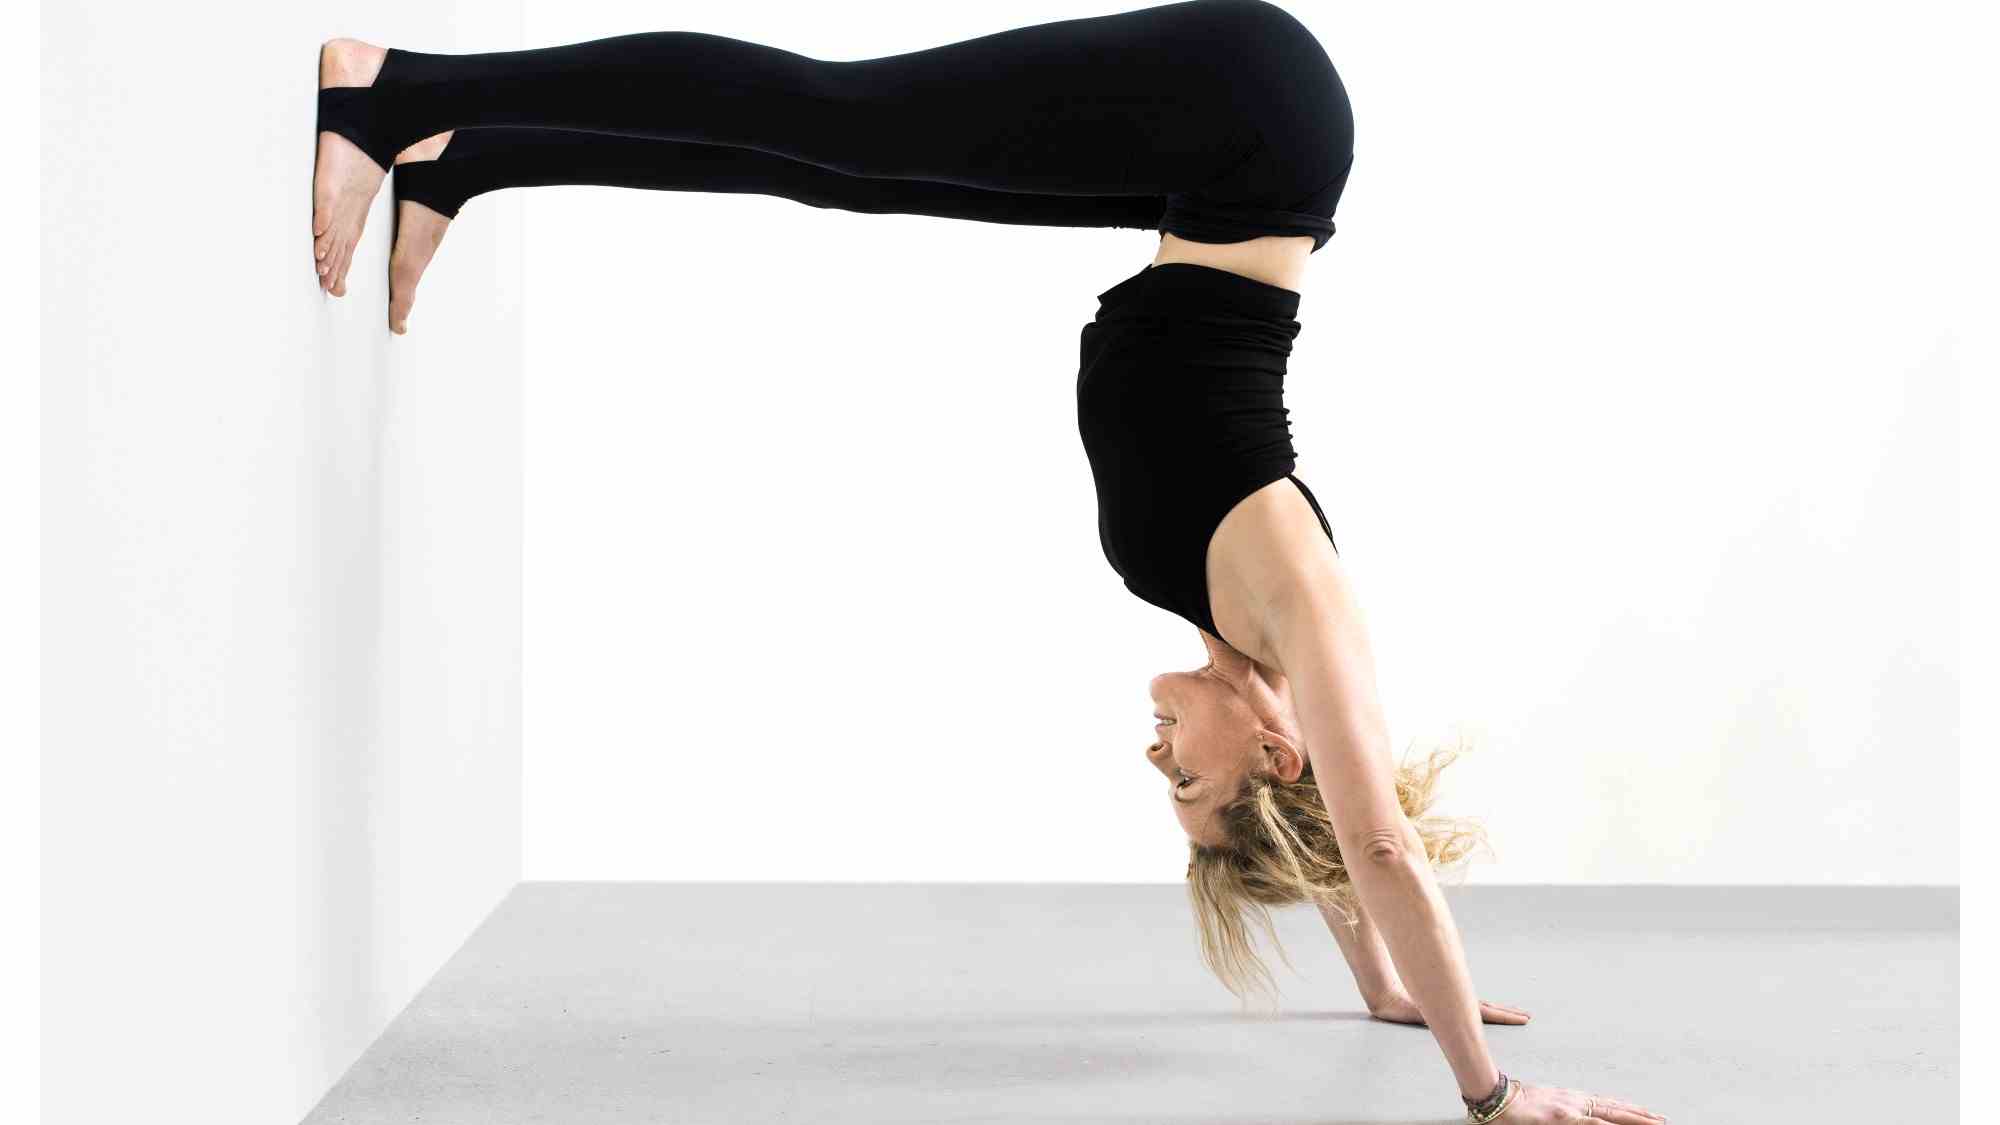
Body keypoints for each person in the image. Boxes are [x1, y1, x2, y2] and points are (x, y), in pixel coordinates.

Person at [312, 4, 1667, 1122]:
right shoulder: (1302, 611)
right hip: (1253, 110)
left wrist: (1383, 987)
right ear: (1277, 750)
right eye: (1186, 777)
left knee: (838, 163)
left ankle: (468, 157)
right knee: (824, 114)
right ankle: (397, 90)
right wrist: (1486, 1092)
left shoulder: (1240, 636)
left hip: (1222, 164)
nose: (1156, 759)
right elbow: (1372, 837)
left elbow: (1333, 846)